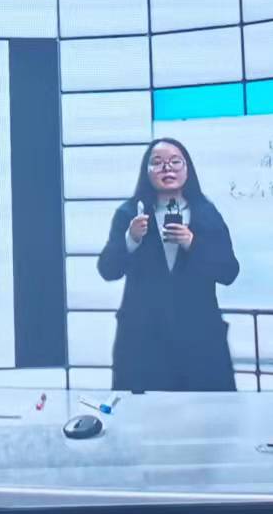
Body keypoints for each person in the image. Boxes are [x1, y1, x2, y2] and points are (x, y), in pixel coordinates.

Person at [96, 137, 241, 392]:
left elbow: (229, 271)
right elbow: (107, 269)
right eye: (158, 163)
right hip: (143, 339)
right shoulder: (130, 213)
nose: (167, 169)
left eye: (175, 162)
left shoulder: (206, 213)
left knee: (208, 412)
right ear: (146, 171)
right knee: (142, 412)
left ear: (188, 168)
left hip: (199, 338)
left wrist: (192, 243)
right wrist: (131, 239)